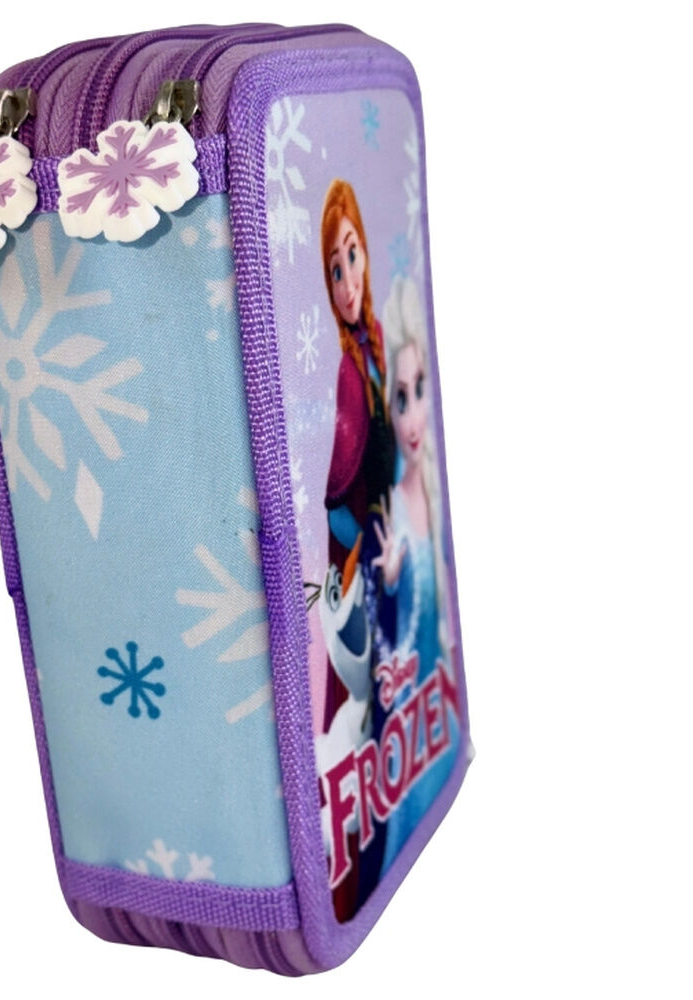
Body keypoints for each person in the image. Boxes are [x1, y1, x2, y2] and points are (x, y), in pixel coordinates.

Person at [316, 179, 396, 919]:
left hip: (380, 544)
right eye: (332, 269)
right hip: (358, 559)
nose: (346, 282)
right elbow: (336, 486)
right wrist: (362, 543)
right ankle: (351, 868)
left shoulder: (370, 345)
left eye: (351, 258)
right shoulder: (346, 369)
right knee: (361, 706)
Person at [374, 275, 459, 875]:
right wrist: (390, 581)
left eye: (419, 390)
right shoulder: (395, 511)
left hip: (437, 712)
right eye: (399, 399)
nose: (412, 415)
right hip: (406, 720)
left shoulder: (428, 487)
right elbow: (389, 636)